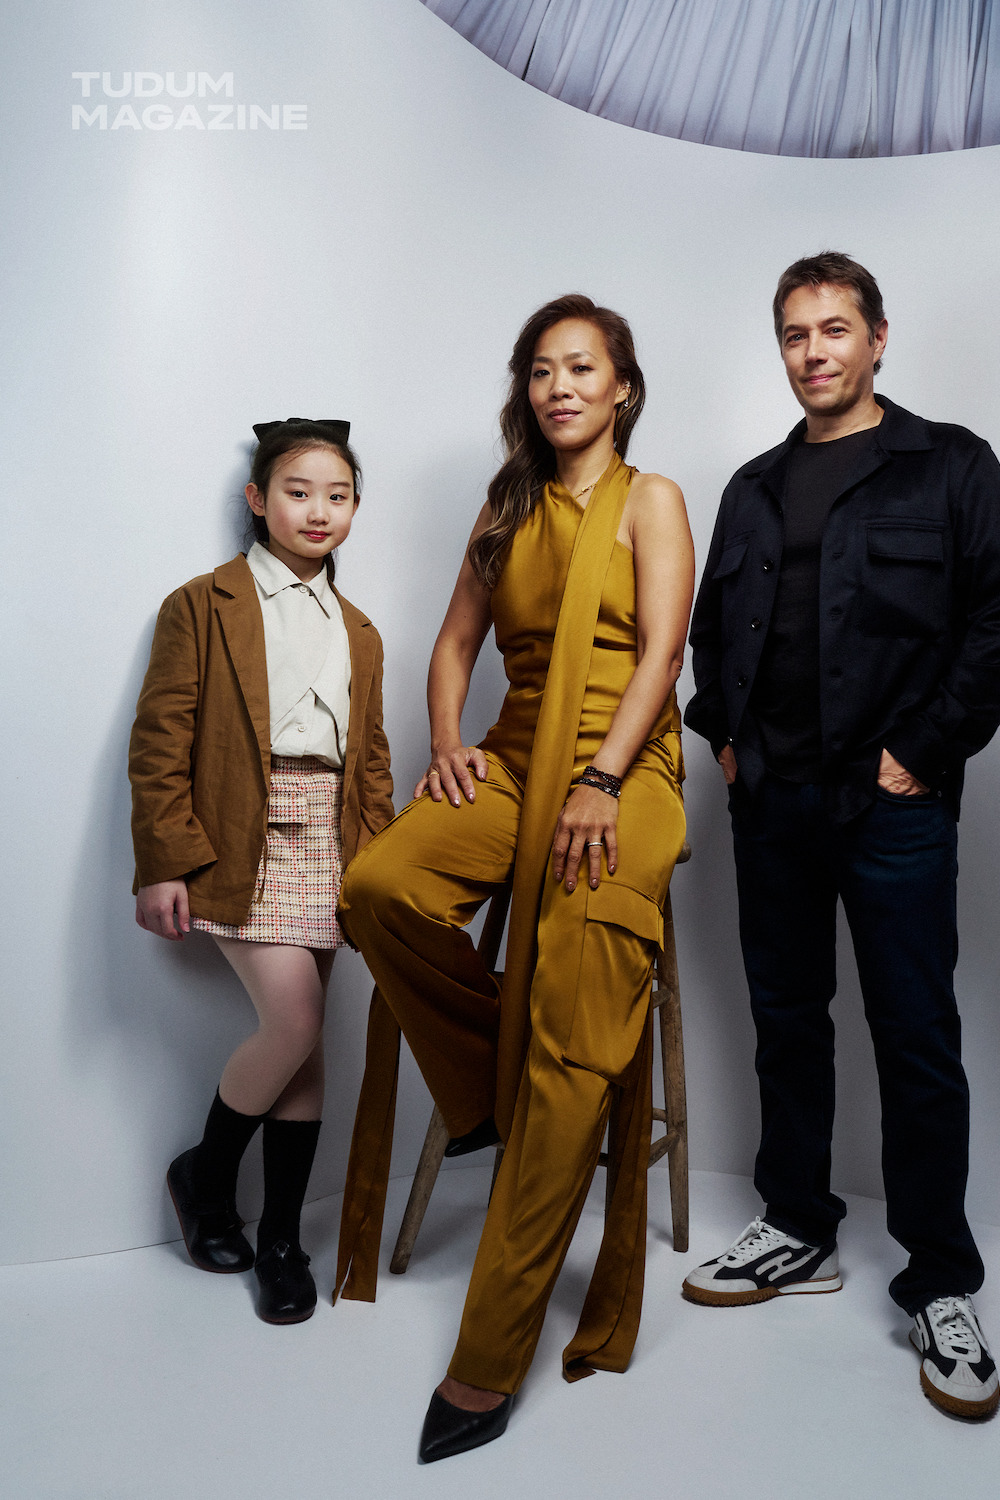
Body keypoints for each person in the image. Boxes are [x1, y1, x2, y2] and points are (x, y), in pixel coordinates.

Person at [334, 295, 693, 1461]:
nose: (559, 387)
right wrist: (448, 739)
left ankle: (489, 1356)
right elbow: (452, 646)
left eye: (582, 367)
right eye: (541, 369)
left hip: (623, 765)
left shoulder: (653, 501)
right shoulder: (507, 505)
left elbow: (666, 652)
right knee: (379, 888)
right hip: (513, 750)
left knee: (577, 1010)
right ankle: (493, 1088)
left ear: (622, 388)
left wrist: (600, 776)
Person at [683, 252, 1000, 1420]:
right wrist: (721, 736)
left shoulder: (950, 467)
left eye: (835, 329)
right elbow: (709, 633)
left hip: (892, 807)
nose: (814, 351)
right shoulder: (749, 485)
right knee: (786, 1024)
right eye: (794, 334)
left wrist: (920, 754)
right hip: (770, 803)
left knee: (916, 1039)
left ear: (878, 338)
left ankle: (940, 1281)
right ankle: (797, 1226)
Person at [129, 418, 393, 1325]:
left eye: (338, 495)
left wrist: (380, 868)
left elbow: (372, 763)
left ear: (355, 508)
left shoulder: (360, 630)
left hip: (331, 838)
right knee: (297, 1019)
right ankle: (205, 1181)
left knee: (307, 1047)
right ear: (258, 500)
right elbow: (160, 739)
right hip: (241, 834)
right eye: (298, 491)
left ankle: (281, 1241)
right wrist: (164, 862)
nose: (318, 510)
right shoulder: (202, 603)